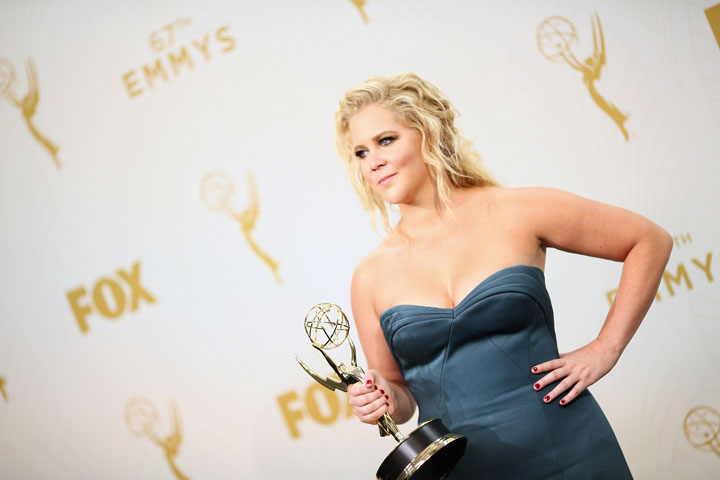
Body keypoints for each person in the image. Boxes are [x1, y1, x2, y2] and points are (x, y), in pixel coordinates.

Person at [336, 73, 672, 479]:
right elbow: (400, 395)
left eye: (385, 140)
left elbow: (648, 240)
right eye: (360, 152)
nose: (374, 161)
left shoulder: (518, 211)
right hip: (466, 469)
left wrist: (606, 348)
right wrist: (383, 398)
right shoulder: (370, 276)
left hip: (572, 450)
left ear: (427, 132)